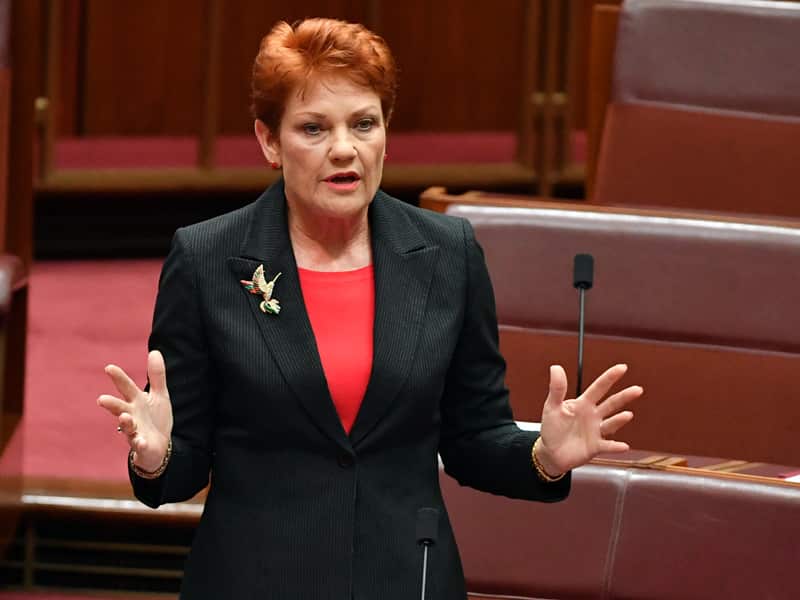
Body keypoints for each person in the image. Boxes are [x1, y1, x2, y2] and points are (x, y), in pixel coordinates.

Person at [97, 17, 642, 600]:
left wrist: (543, 457)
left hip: (405, 579)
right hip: (256, 580)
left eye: (363, 124)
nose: (344, 149)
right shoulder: (207, 259)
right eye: (313, 128)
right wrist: (156, 457)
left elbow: (472, 439)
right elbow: (182, 468)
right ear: (269, 141)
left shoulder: (447, 256)